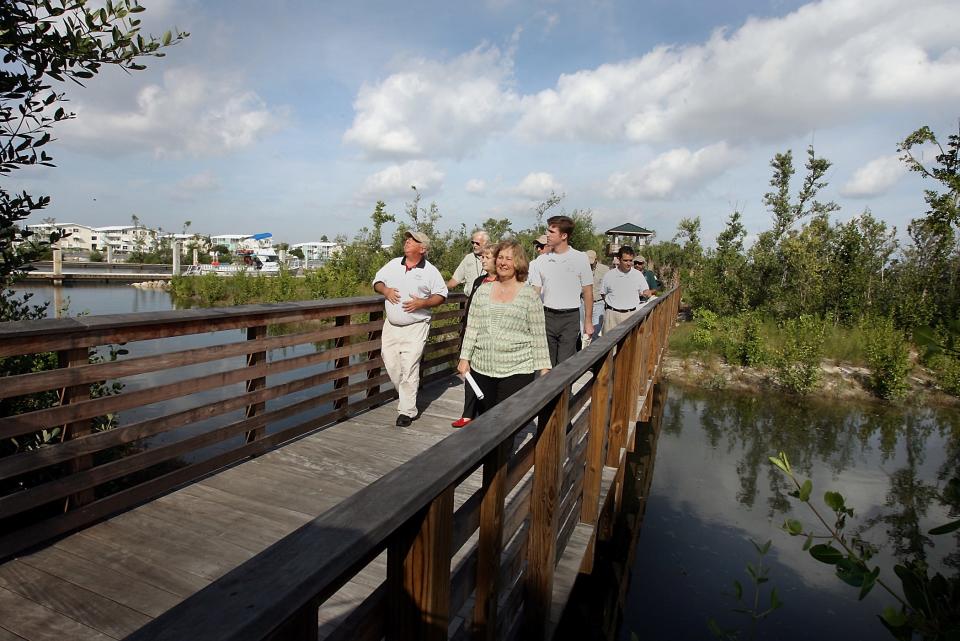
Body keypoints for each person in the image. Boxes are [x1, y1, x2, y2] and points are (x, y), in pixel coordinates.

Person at [458, 240, 550, 415]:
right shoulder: (483, 291)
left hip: (517, 370)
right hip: (482, 367)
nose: (503, 262)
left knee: (506, 422)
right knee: (486, 421)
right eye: (500, 257)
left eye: (509, 258)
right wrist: (464, 358)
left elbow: (538, 336)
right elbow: (472, 327)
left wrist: (544, 370)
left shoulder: (529, 295)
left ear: (518, 262)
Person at [372, 230, 448, 427]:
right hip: (391, 325)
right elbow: (377, 282)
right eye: (407, 239)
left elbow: (441, 295)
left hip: (416, 326)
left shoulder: (430, 271)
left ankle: (407, 411)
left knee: (409, 367)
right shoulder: (393, 264)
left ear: (422, 248)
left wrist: (423, 303)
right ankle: (406, 397)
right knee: (391, 364)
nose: (407, 241)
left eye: (412, 240)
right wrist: (385, 290)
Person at [529, 215, 594, 366]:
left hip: (570, 318)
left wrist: (588, 322)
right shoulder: (541, 260)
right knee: (545, 364)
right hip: (546, 316)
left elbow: (588, 291)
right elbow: (535, 293)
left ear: (564, 236)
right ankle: (546, 390)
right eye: (548, 231)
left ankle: (564, 391)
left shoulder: (580, 258)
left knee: (564, 365)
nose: (547, 235)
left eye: (551, 232)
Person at [451, 244, 497, 428]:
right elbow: (471, 307)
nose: (483, 260)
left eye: (487, 257)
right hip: (472, 331)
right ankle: (467, 414)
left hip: (490, 336)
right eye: (482, 257)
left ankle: (488, 413)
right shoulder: (479, 281)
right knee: (468, 371)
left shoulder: (503, 283)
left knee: (487, 377)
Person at [601, 246, 652, 333]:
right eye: (625, 260)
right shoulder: (609, 275)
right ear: (619, 259)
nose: (628, 263)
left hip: (631, 315)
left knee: (629, 345)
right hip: (612, 316)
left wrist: (647, 292)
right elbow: (603, 293)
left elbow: (646, 290)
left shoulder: (638, 275)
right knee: (609, 345)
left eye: (630, 260)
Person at [585, 249, 610, 337]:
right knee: (583, 330)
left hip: (598, 302)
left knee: (596, 329)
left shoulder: (605, 269)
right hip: (583, 302)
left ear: (596, 259)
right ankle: (583, 349)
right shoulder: (581, 268)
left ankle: (593, 349)